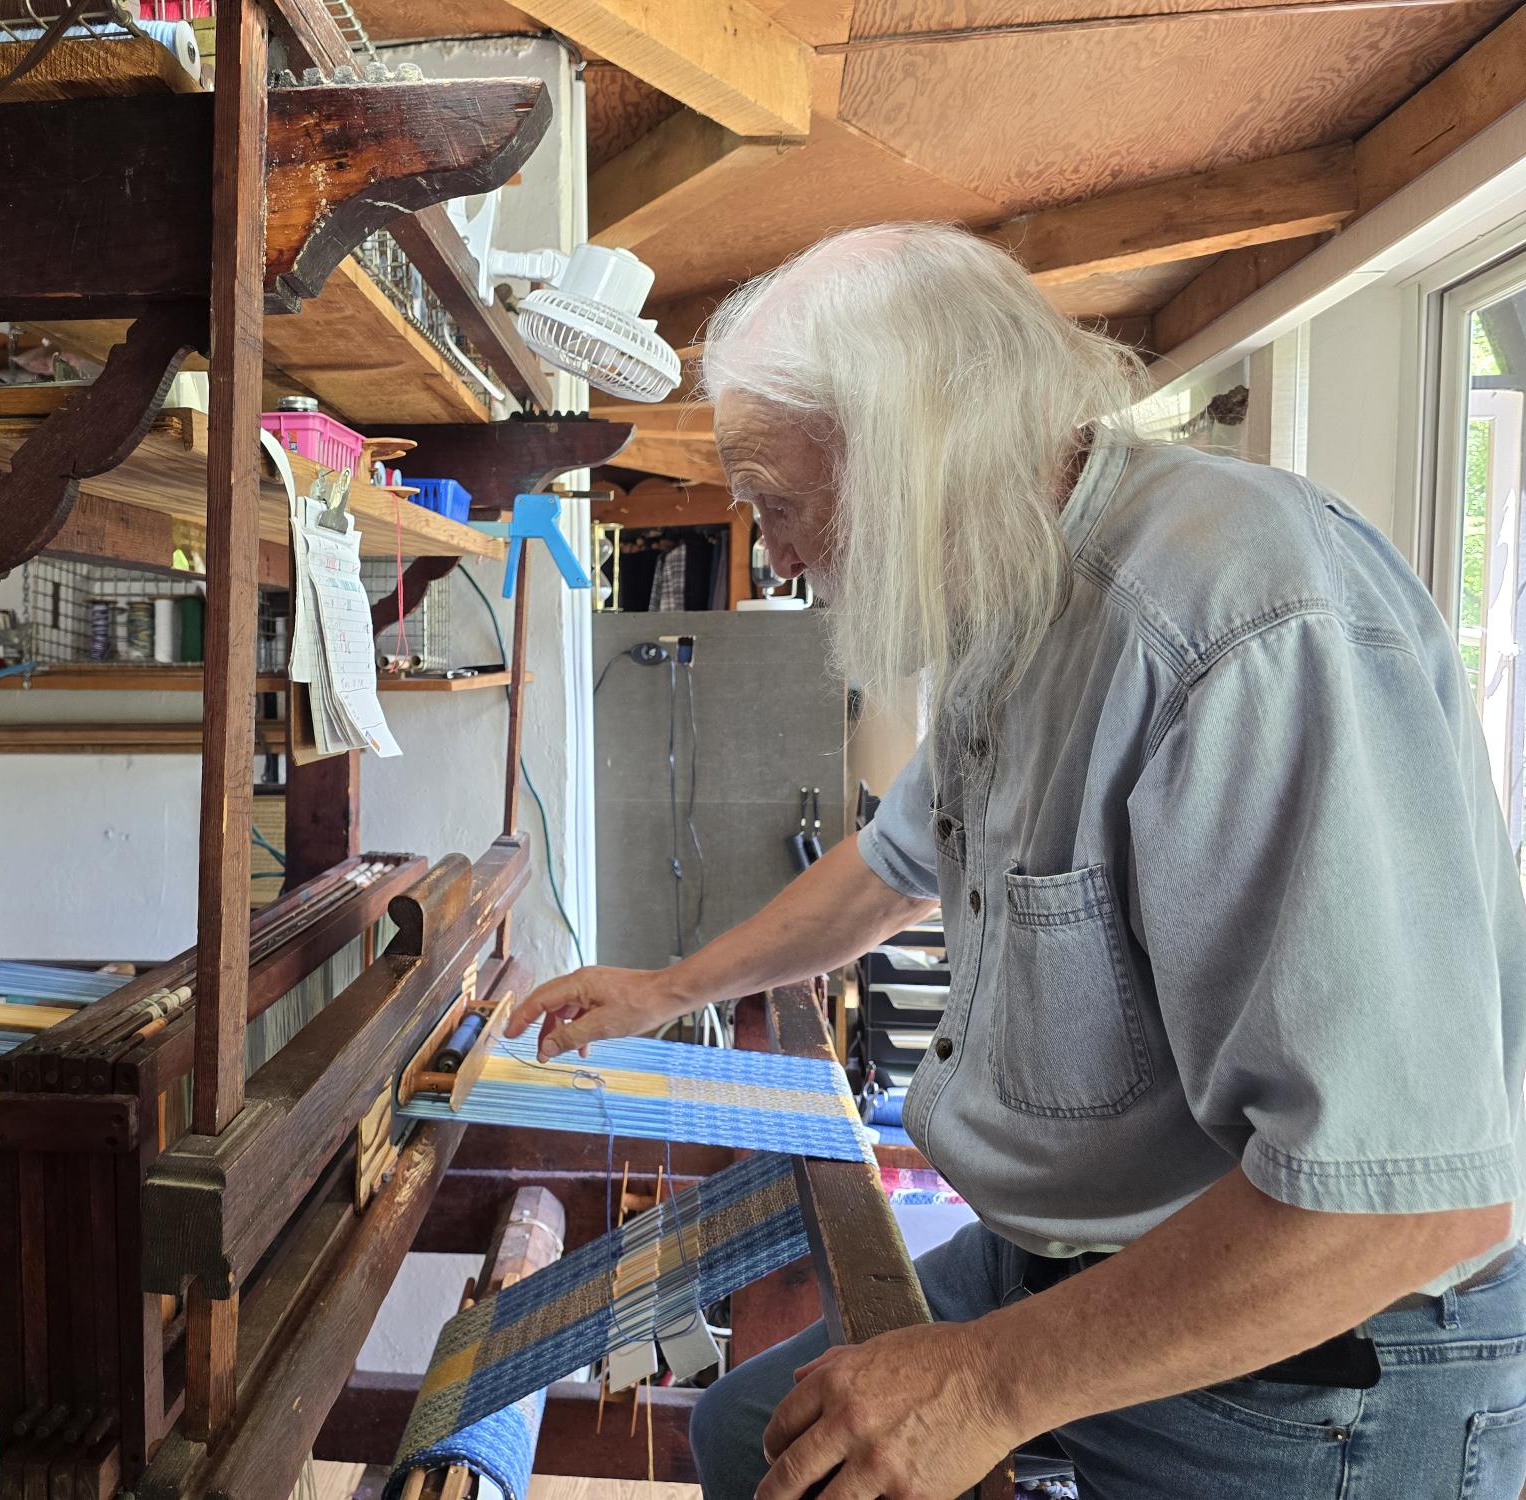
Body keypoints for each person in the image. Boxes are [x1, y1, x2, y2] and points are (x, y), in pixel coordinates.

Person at [506, 224, 1526, 1500]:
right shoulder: (1010, 605)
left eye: (776, 501)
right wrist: (667, 988)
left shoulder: (1236, 618)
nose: (772, 555)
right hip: (1058, 1251)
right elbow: (889, 867)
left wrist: (989, 1386)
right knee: (741, 1435)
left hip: (1307, 1361)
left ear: (905, 449)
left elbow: (1401, 1206)